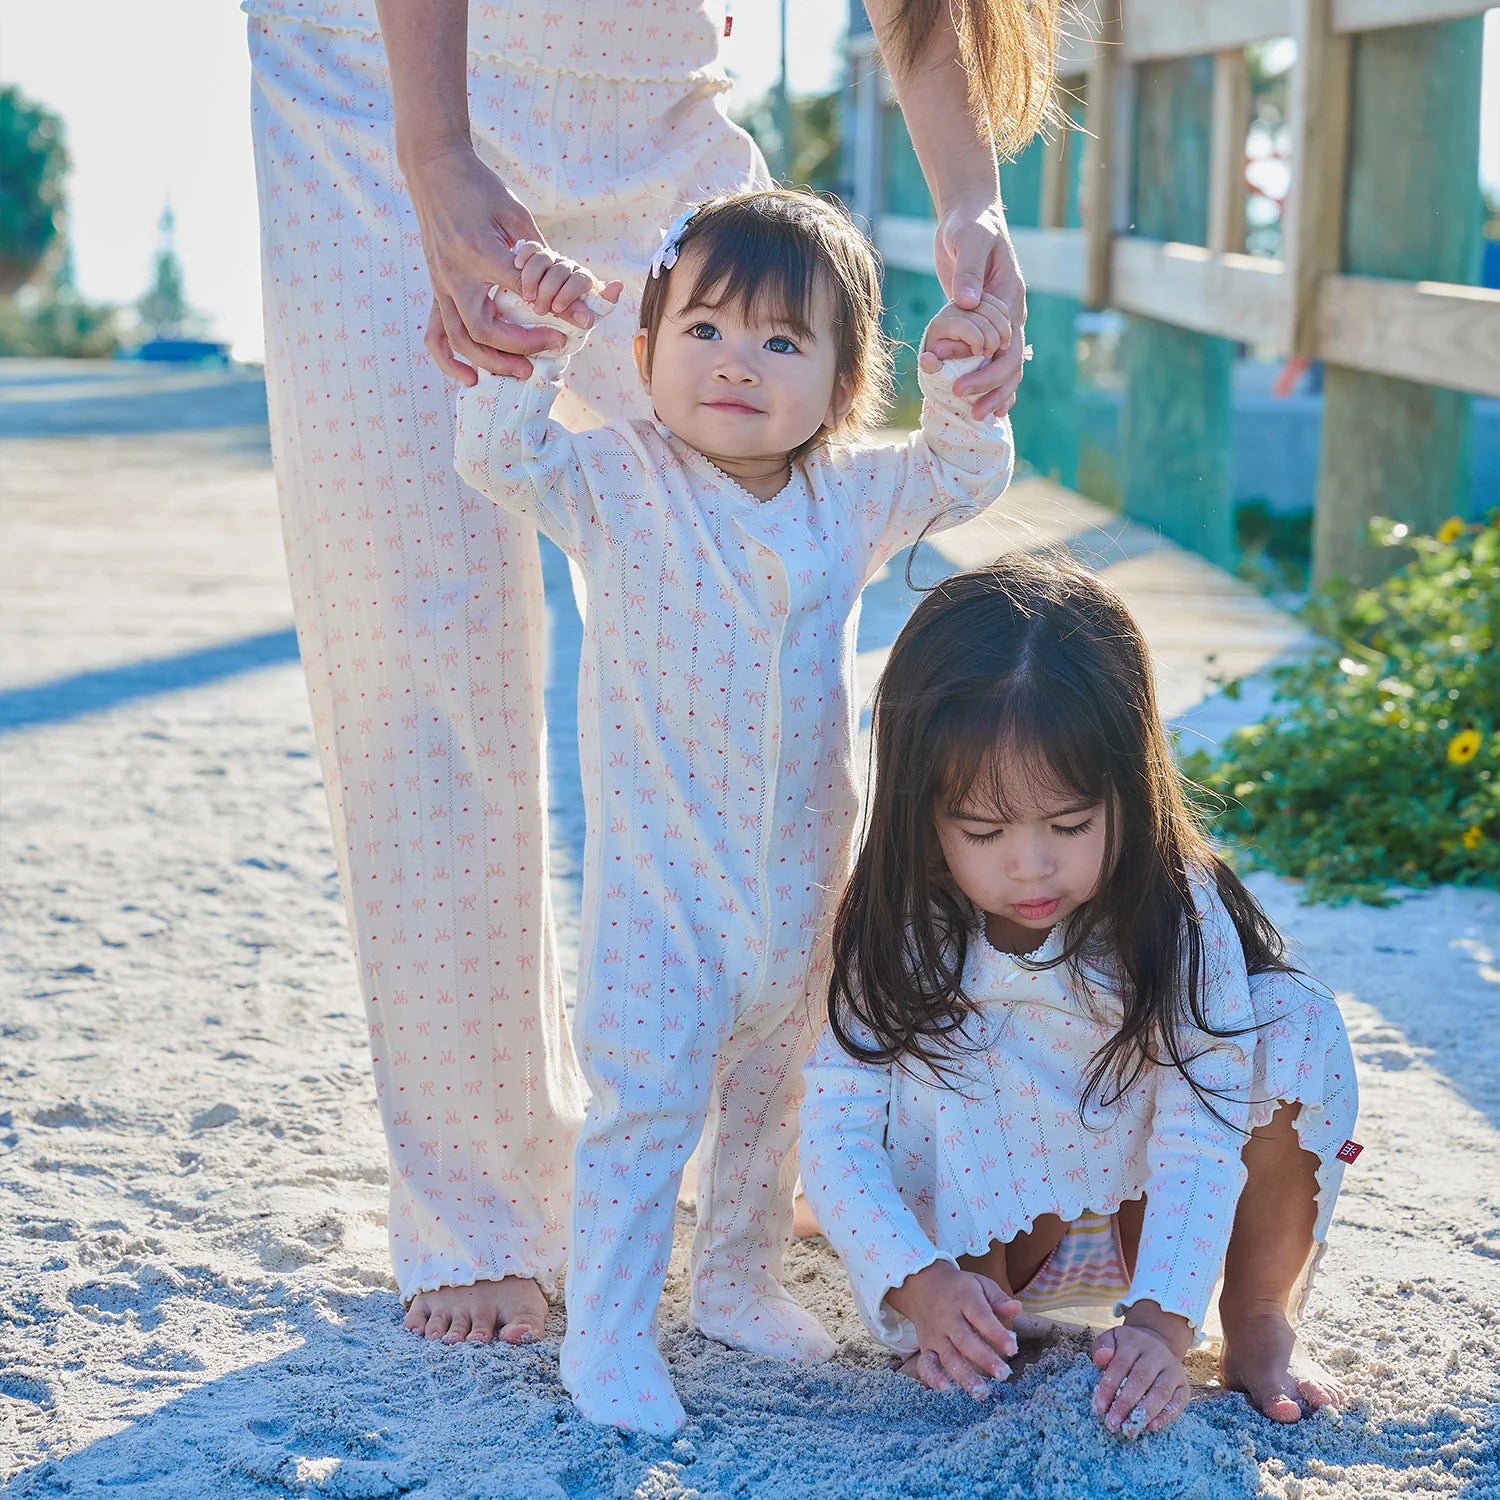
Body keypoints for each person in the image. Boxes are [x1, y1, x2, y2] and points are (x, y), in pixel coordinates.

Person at [246, 0, 1057, 1351]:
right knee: (422, 636)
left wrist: (971, 202)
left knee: (763, 567)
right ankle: (483, 1205)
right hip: (371, 81)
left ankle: (776, 1135)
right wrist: (436, 154)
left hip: (657, 98)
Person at [451, 188, 1015, 1433]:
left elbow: (959, 473)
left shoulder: (848, 497)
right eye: (701, 331)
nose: (734, 364)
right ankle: (607, 1327)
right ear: (643, 354)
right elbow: (496, 457)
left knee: (780, 1088)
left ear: (840, 384)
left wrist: (964, 389)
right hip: (663, 886)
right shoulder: (616, 480)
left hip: (807, 877)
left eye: (780, 342)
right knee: (646, 1103)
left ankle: (738, 1280)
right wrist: (532, 357)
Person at [799, 555, 1360, 1435]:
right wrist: (924, 1284)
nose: (1031, 865)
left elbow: (1201, 1125)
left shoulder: (1178, 911)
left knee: (1293, 1018)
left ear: (1128, 792)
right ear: (920, 807)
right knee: (944, 1054)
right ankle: (968, 1327)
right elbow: (835, 1132)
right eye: (982, 830)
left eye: (1069, 825)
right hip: (986, 1264)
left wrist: (1167, 1323)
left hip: (1155, 1241)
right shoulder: (905, 925)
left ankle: (1256, 1319)